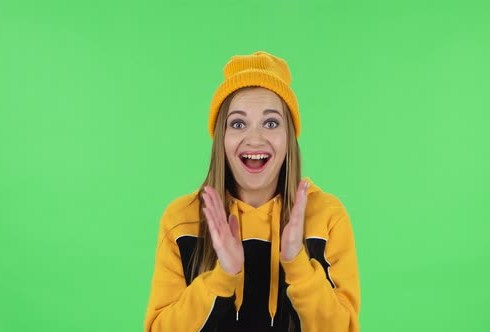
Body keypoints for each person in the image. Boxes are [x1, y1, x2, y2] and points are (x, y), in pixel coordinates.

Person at [144, 51, 360, 331]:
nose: (255, 139)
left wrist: (297, 263)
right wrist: (223, 276)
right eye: (237, 123)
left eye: (271, 123)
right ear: (222, 137)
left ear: (289, 138)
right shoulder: (182, 220)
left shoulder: (327, 217)